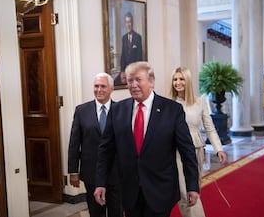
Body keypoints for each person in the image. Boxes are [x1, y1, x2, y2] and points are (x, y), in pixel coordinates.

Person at [94, 61, 199, 217]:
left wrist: (192, 185)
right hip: (130, 191)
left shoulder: (172, 110)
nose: (134, 85)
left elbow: (187, 151)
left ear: (151, 82)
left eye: (138, 79)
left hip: (161, 190)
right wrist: (100, 183)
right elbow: (105, 150)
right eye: (130, 80)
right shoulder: (117, 110)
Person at [169, 67, 227, 217]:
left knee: (194, 189)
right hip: (176, 152)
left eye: (181, 79)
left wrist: (218, 149)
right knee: (185, 192)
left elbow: (210, 128)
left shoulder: (200, 102)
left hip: (197, 150)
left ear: (188, 81)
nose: (177, 82)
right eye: (175, 79)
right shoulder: (169, 103)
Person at [68, 73, 122, 217]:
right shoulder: (81, 111)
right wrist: (73, 171)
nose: (99, 90)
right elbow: (74, 143)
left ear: (112, 88)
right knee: (95, 212)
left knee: (116, 211)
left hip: (116, 172)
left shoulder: (121, 110)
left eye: (103, 86)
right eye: (96, 86)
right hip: (91, 172)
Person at [116, 12, 143, 85]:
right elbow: (123, 56)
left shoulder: (138, 37)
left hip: (134, 70)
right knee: (116, 81)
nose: (128, 24)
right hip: (125, 70)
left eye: (129, 22)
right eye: (126, 22)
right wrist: (122, 71)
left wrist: (132, 71)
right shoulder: (124, 38)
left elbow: (139, 58)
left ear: (132, 23)